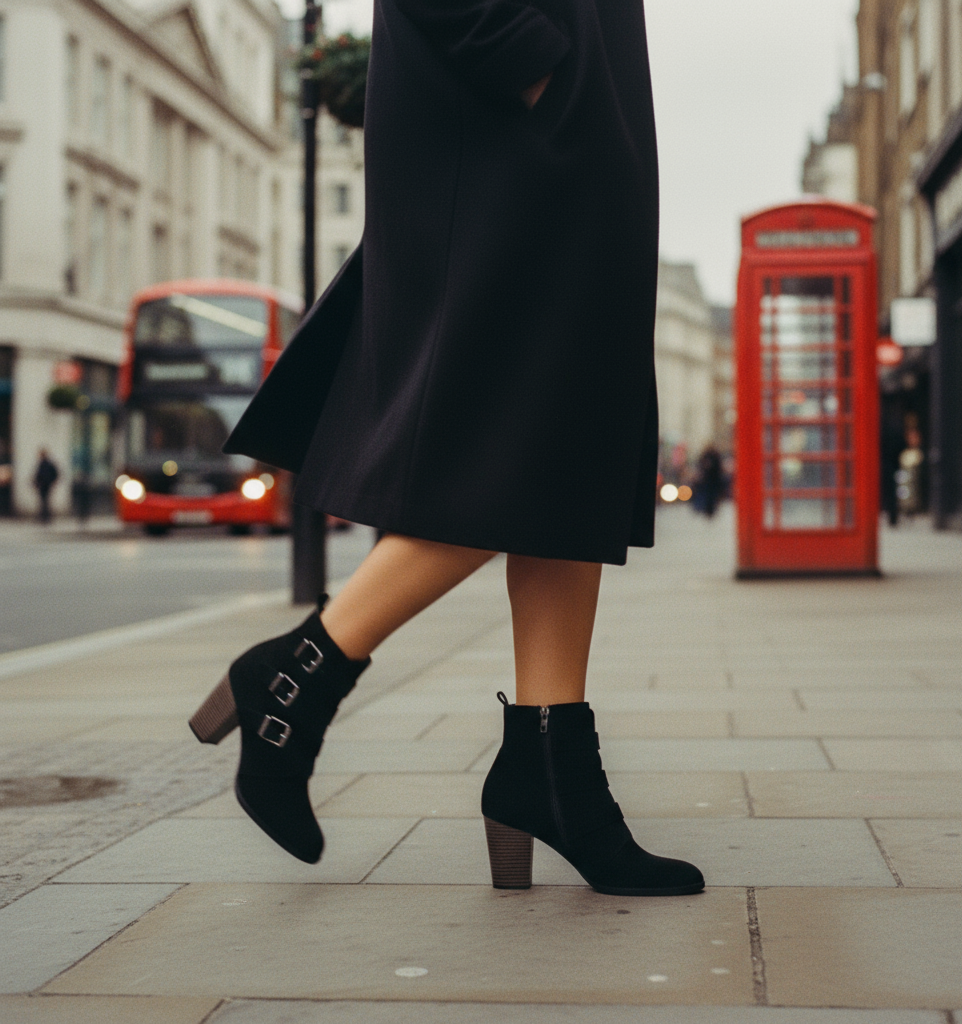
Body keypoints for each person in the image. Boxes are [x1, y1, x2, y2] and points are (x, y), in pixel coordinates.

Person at [188, 0, 703, 897]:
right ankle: (299, 674)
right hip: (518, 144)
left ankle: (552, 769)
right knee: (504, 454)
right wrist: (541, 72)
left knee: (562, 457)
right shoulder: (532, 93)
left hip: (567, 150)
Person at [696, 443, 724, 519]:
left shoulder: (713, 456)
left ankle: (710, 510)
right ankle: (708, 510)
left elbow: (719, 468)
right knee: (709, 495)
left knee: (712, 495)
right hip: (708, 480)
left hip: (713, 480)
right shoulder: (707, 456)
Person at [33, 449, 59, 525]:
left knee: (45, 501)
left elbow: (53, 474)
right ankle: (44, 517)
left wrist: (51, 481)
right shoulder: (43, 464)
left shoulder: (46, 464)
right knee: (44, 501)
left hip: (45, 485)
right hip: (44, 485)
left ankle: (45, 517)